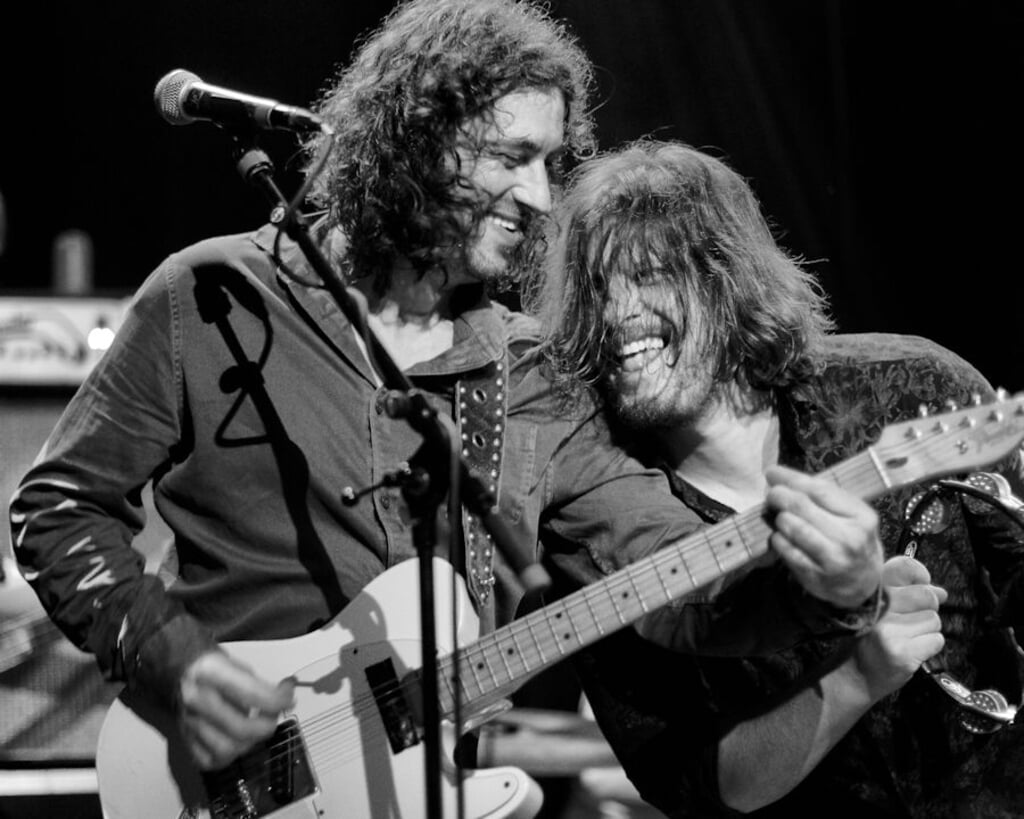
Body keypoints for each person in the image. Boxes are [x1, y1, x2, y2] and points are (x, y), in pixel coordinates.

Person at [9, 3, 885, 815]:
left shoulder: (531, 370)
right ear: (414, 140)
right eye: (512, 158)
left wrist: (825, 590)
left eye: (551, 164)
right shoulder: (211, 298)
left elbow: (673, 576)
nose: (543, 198)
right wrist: (175, 662)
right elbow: (57, 507)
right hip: (221, 783)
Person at [530, 137, 1024, 818]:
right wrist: (859, 675)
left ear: (726, 277)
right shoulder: (597, 525)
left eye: (648, 275)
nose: (616, 316)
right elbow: (700, 787)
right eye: (597, 290)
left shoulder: (908, 388)